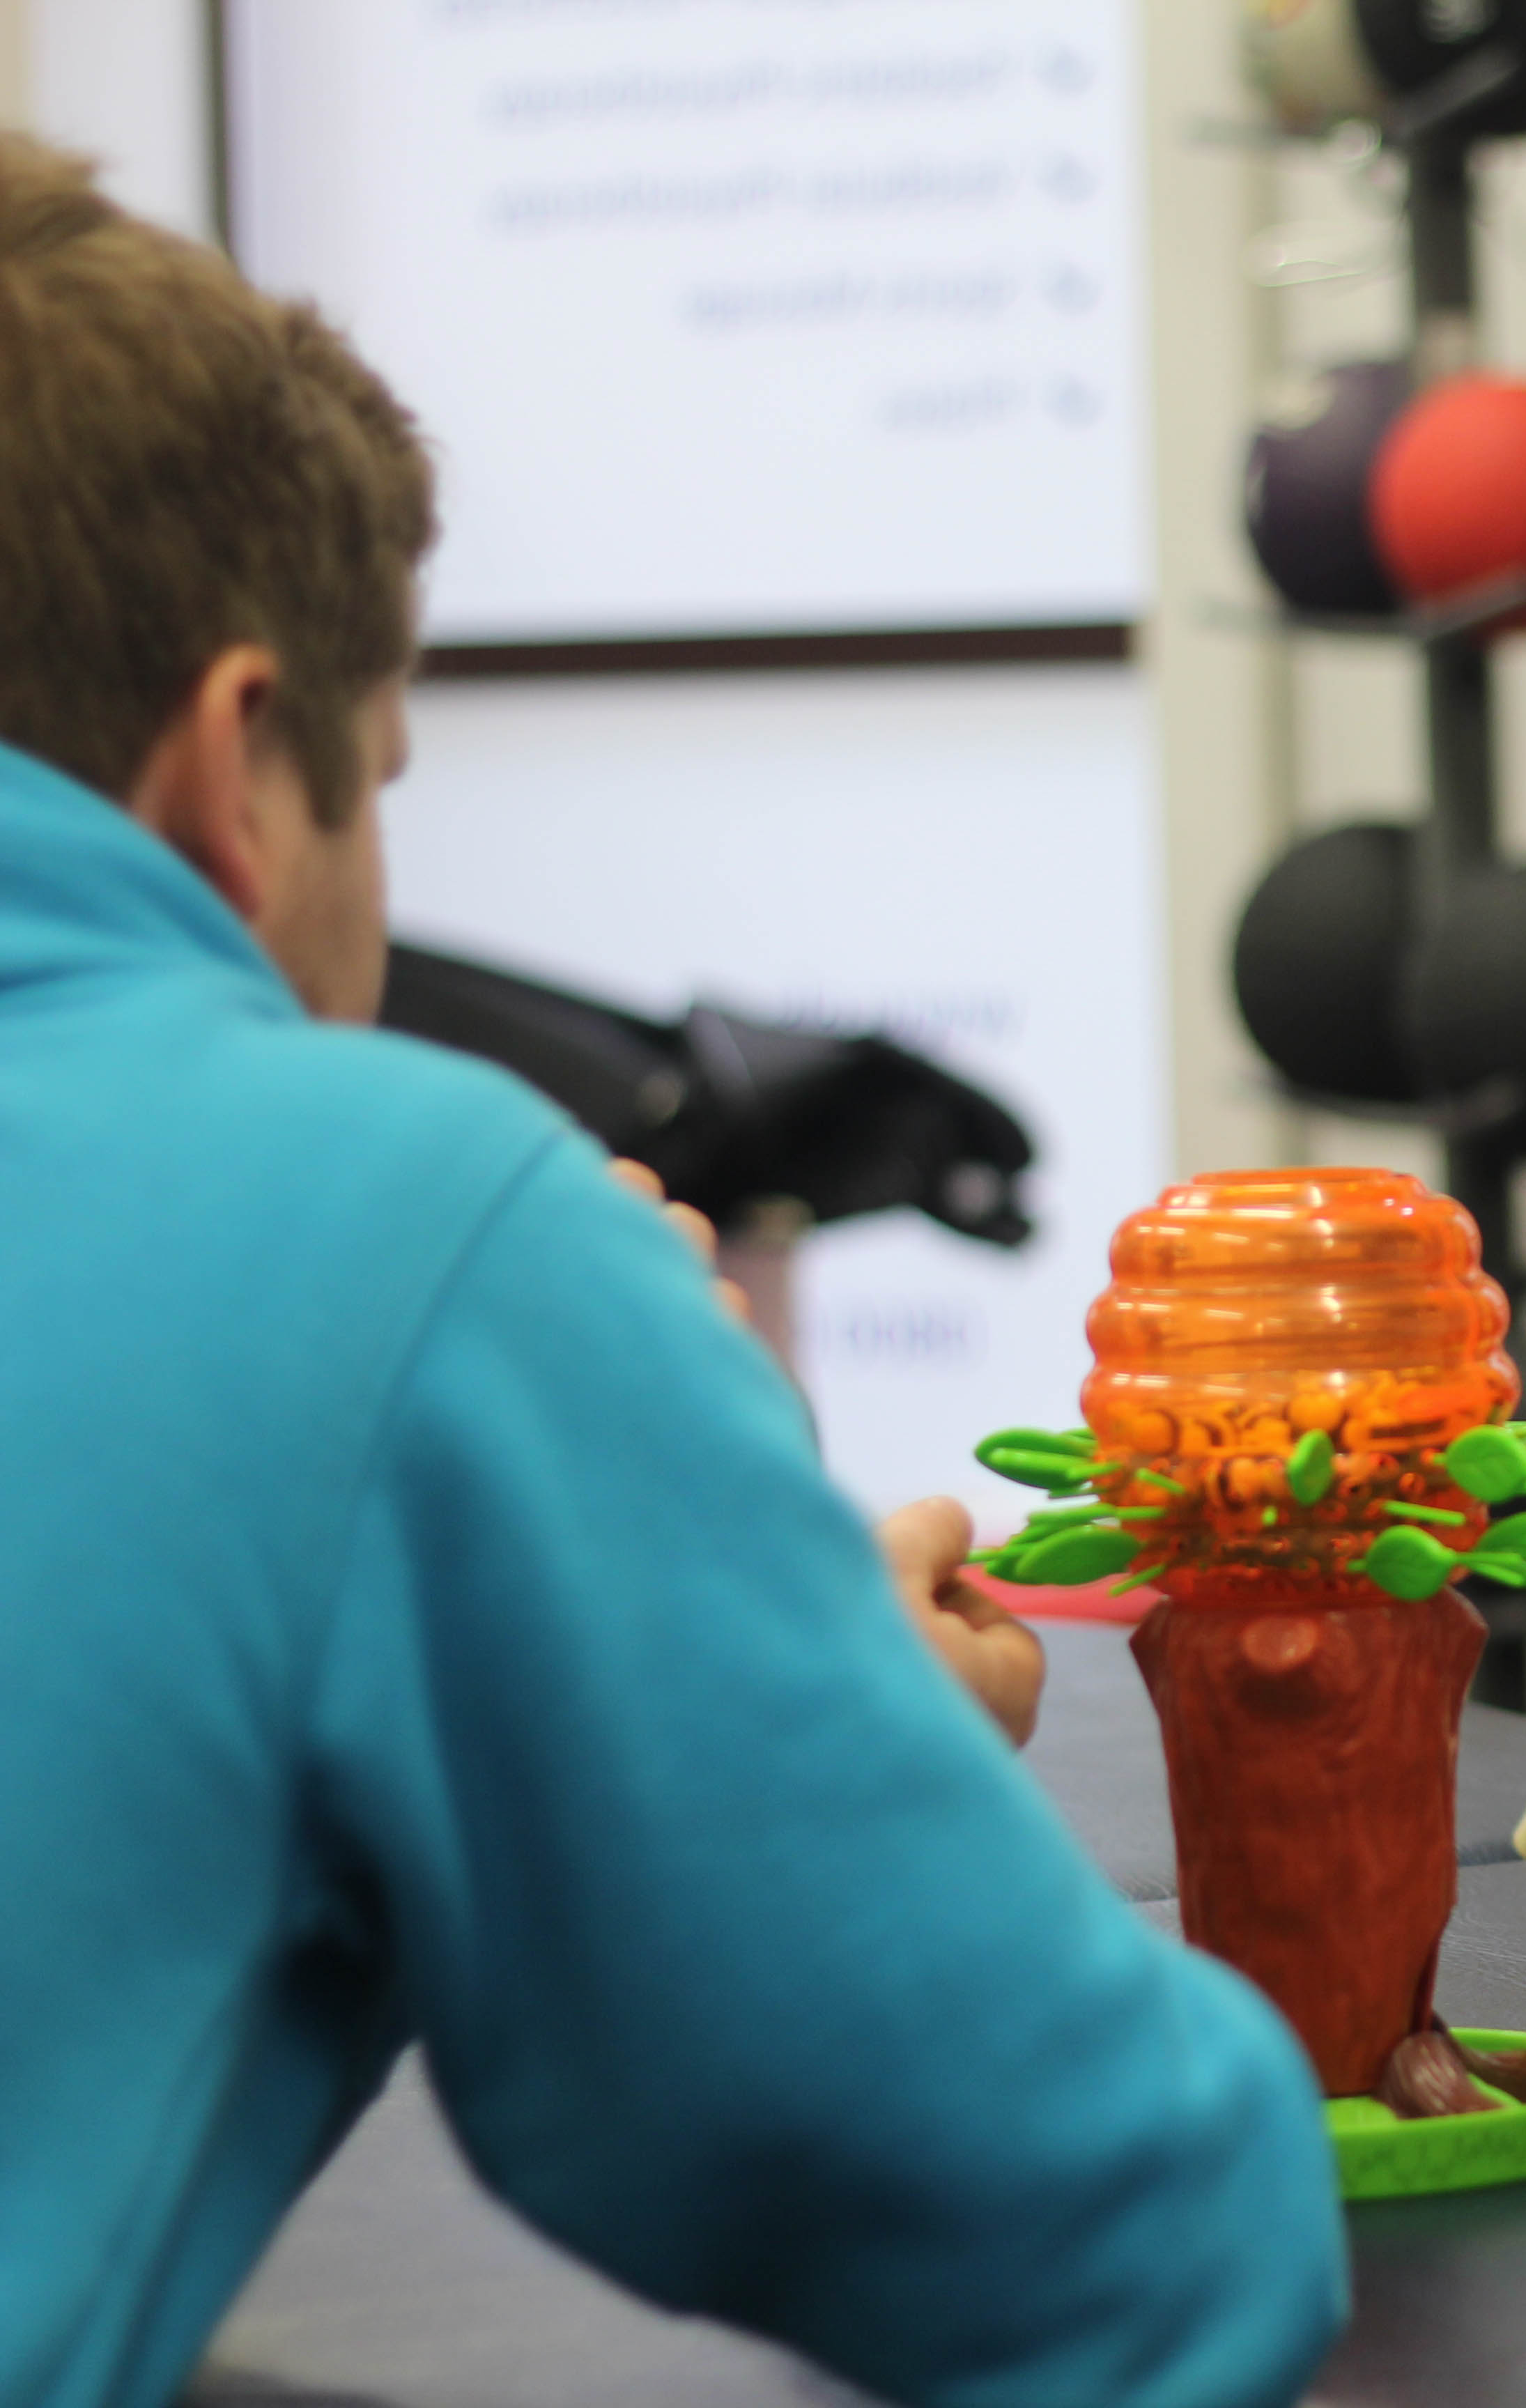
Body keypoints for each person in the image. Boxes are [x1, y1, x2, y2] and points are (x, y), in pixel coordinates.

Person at [0, 134, 1343, 2405]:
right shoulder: (388, 1220)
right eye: (385, 779)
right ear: (241, 761)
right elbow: (1133, 2246)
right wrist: (786, 1700)